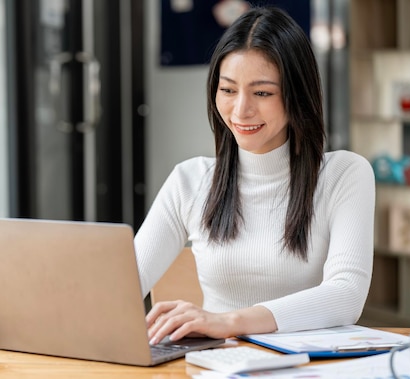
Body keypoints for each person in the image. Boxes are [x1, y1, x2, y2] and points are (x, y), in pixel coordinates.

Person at [134, 6, 375, 345]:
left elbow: (346, 295)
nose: (240, 109)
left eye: (262, 93)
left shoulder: (345, 174)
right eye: (228, 90)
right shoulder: (189, 180)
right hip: (216, 365)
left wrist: (228, 321)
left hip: (308, 367)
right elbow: (124, 286)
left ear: (296, 95)